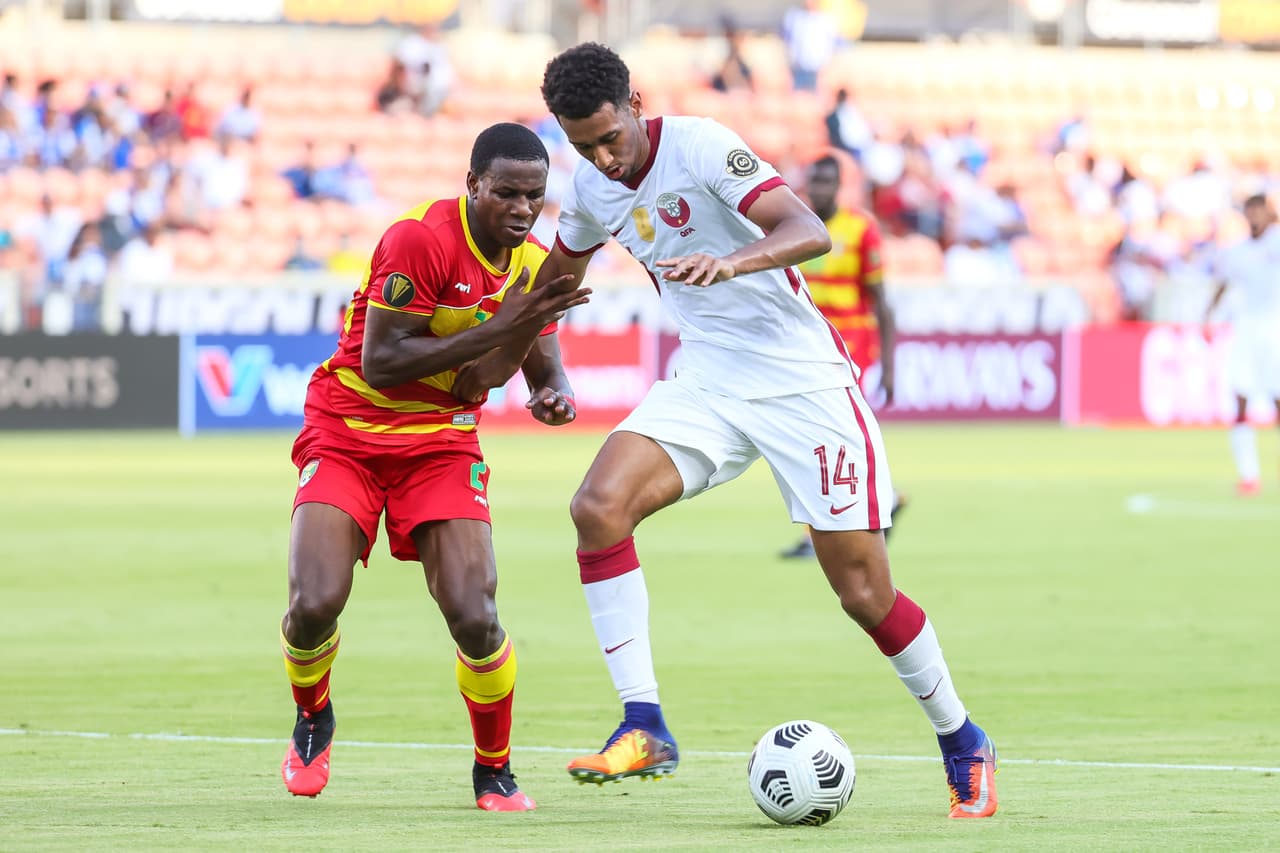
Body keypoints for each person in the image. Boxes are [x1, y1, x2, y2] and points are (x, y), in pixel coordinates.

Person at [455, 42, 998, 820]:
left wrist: (732, 262)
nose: (602, 158)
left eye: (609, 137)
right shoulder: (590, 188)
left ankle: (963, 738)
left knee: (863, 591)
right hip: (709, 380)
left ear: (635, 103)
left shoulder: (703, 144)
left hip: (804, 383)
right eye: (582, 146)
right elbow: (556, 284)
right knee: (597, 506)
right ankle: (644, 724)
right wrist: (526, 371)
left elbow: (809, 229)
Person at [277, 122, 590, 811]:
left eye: (533, 195)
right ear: (472, 183)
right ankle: (313, 715)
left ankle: (495, 769)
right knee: (313, 604)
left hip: (442, 440)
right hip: (349, 428)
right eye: (505, 192)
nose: (520, 207)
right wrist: (501, 327)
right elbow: (381, 363)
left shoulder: (533, 264)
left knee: (475, 613)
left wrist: (551, 389)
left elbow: (541, 348)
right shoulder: (419, 239)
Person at [780, 155, 907, 560]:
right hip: (803, 350)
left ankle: (819, 532)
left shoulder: (860, 229)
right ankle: (882, 499)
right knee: (814, 438)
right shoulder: (791, 224)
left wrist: (889, 363)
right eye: (813, 181)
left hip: (848, 351)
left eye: (826, 182)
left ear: (838, 185)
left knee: (822, 436)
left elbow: (882, 301)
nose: (818, 189)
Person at [1204, 193, 1280, 496]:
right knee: (1240, 399)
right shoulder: (1237, 252)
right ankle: (1249, 474)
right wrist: (1209, 314)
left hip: (1275, 327)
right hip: (1246, 328)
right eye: (1250, 211)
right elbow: (1223, 283)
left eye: (1260, 211)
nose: (1255, 217)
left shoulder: (1276, 242)